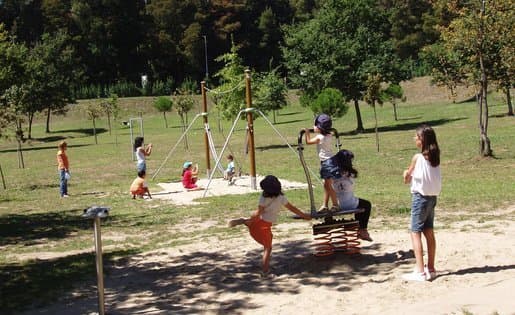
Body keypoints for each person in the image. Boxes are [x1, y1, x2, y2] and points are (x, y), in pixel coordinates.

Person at [227, 175, 311, 276]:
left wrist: (252, 218)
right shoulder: (281, 198)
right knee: (268, 248)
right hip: (265, 224)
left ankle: (245, 221)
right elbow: (292, 208)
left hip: (259, 221)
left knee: (255, 227)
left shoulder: (263, 197)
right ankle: (265, 271)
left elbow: (258, 212)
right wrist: (304, 215)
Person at [402, 124, 441, 282]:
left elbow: (407, 178)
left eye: (416, 137)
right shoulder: (435, 157)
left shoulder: (417, 158)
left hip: (420, 197)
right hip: (432, 198)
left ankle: (420, 270)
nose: (414, 139)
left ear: (422, 140)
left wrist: (405, 173)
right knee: (429, 231)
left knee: (415, 232)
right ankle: (430, 268)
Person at [332, 149, 373, 241]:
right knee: (366, 205)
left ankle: (360, 229)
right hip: (350, 203)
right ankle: (363, 229)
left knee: (359, 203)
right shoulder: (351, 174)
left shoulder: (332, 174)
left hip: (337, 204)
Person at [304, 113, 339, 213]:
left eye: (315, 125)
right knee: (326, 185)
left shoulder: (320, 137)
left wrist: (307, 132)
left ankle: (335, 204)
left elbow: (308, 141)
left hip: (326, 163)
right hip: (331, 161)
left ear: (320, 127)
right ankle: (324, 205)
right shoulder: (329, 135)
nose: (313, 127)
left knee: (328, 186)